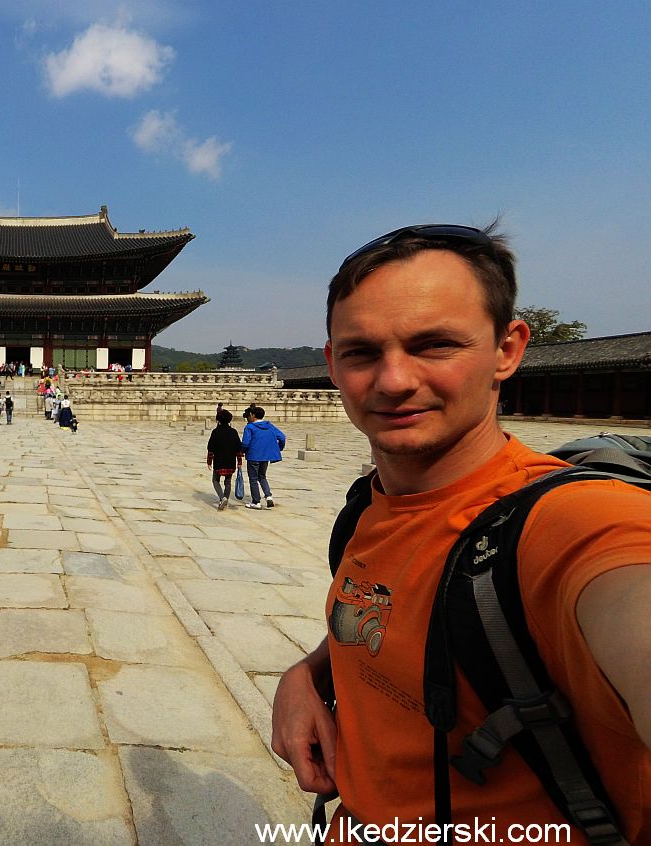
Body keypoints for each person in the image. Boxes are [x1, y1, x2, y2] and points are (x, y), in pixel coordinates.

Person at [271, 223, 651, 841]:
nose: (393, 380)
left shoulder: (573, 524)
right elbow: (399, 617)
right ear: (332, 364)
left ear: (508, 348)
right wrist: (308, 674)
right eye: (363, 352)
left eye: (435, 345)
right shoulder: (367, 509)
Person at [241, 406, 284, 509]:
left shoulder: (250, 427)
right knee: (262, 476)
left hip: (253, 456)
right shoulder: (269, 426)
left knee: (253, 479)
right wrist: (279, 448)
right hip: (265, 456)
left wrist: (241, 451)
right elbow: (282, 437)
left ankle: (256, 501)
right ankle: (268, 496)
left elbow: (246, 443)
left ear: (252, 415)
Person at [206, 409, 244, 509]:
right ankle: (225, 500)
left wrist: (209, 461)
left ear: (218, 420)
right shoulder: (233, 432)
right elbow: (238, 449)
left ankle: (222, 498)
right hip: (231, 461)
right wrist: (239, 462)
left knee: (215, 480)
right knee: (227, 482)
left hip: (219, 461)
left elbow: (211, 448)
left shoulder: (216, 432)